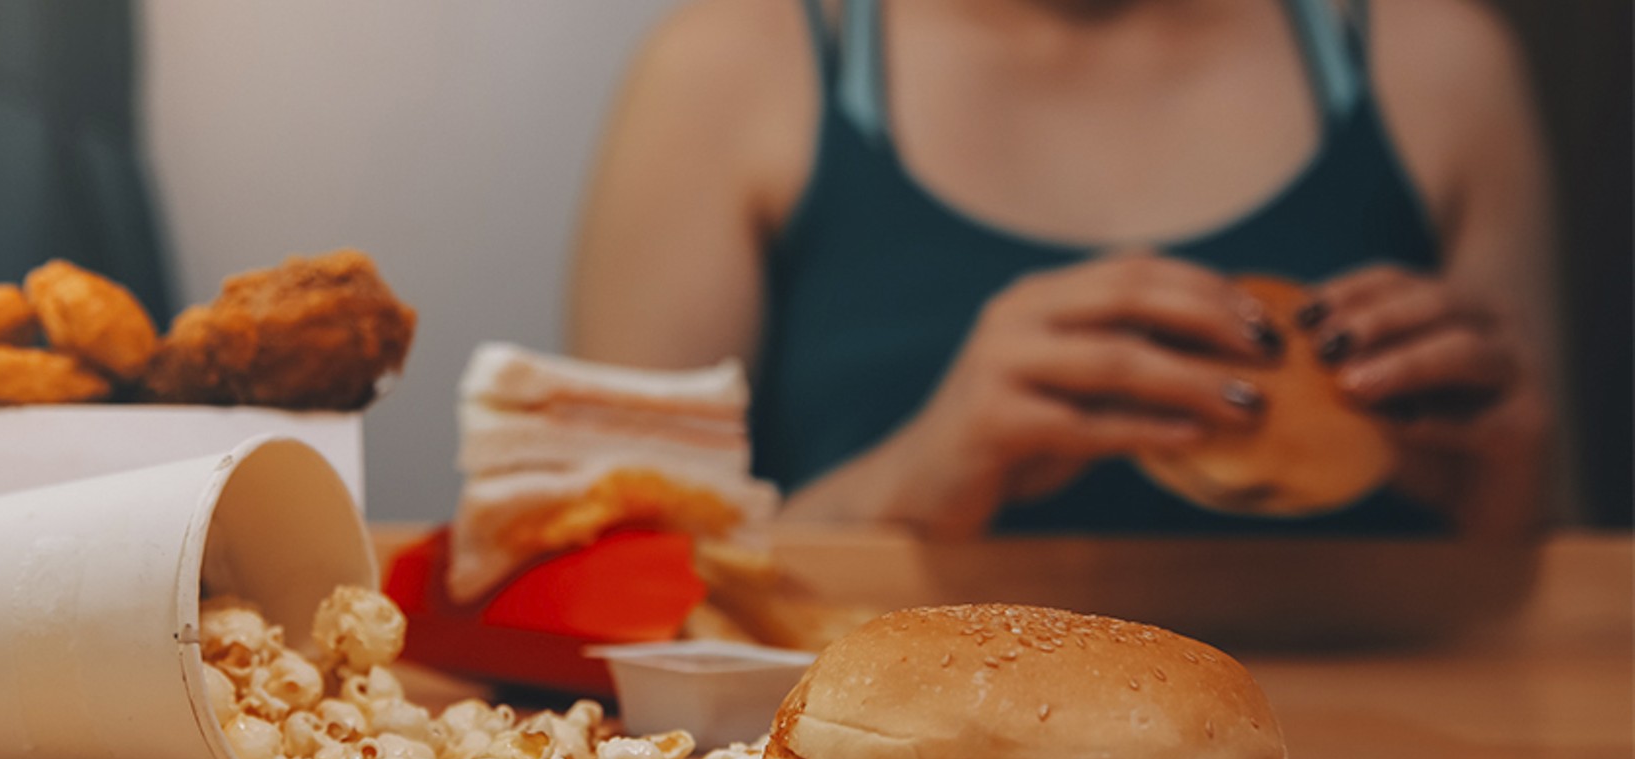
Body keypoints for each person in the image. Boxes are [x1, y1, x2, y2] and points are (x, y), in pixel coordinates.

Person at [568, 0, 1554, 540]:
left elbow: (1565, 565)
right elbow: (592, 589)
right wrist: (904, 486)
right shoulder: (729, 69)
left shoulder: (1438, 63)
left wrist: (1496, 491)